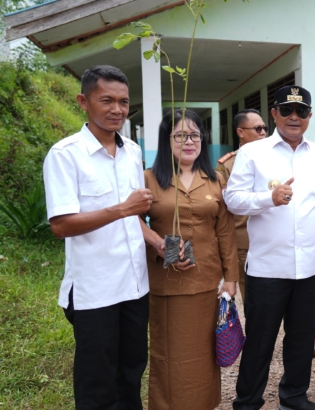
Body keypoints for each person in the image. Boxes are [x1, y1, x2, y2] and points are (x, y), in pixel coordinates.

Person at [225, 85, 315, 410]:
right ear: (274, 113)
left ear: (309, 116)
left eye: (301, 111)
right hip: (267, 268)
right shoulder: (253, 153)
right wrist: (268, 199)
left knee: (302, 340)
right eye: (287, 110)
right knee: (261, 342)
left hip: (310, 266)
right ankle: (248, 401)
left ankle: (293, 397)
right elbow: (233, 200)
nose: (294, 117)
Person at [43, 65, 152, 409]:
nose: (117, 109)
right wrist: (122, 208)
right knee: (98, 382)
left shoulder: (132, 151)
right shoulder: (65, 155)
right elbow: (61, 225)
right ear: (83, 101)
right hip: (95, 290)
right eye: (106, 100)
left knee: (132, 373)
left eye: (123, 102)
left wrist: (155, 240)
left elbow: (135, 217)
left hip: (135, 285)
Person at [142, 109, 239, 409]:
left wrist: (231, 279)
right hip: (165, 283)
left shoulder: (213, 181)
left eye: (195, 134)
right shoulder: (149, 179)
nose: (189, 141)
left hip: (205, 282)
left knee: (202, 354)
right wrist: (159, 245)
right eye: (180, 135)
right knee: (169, 354)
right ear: (166, 139)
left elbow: (225, 232)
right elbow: (132, 221)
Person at [216, 108, 270, 305]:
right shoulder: (227, 165)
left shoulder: (275, 158)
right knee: (253, 299)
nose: (263, 132)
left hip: (274, 235)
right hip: (245, 239)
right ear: (241, 132)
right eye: (257, 129)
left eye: (264, 128)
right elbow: (224, 207)